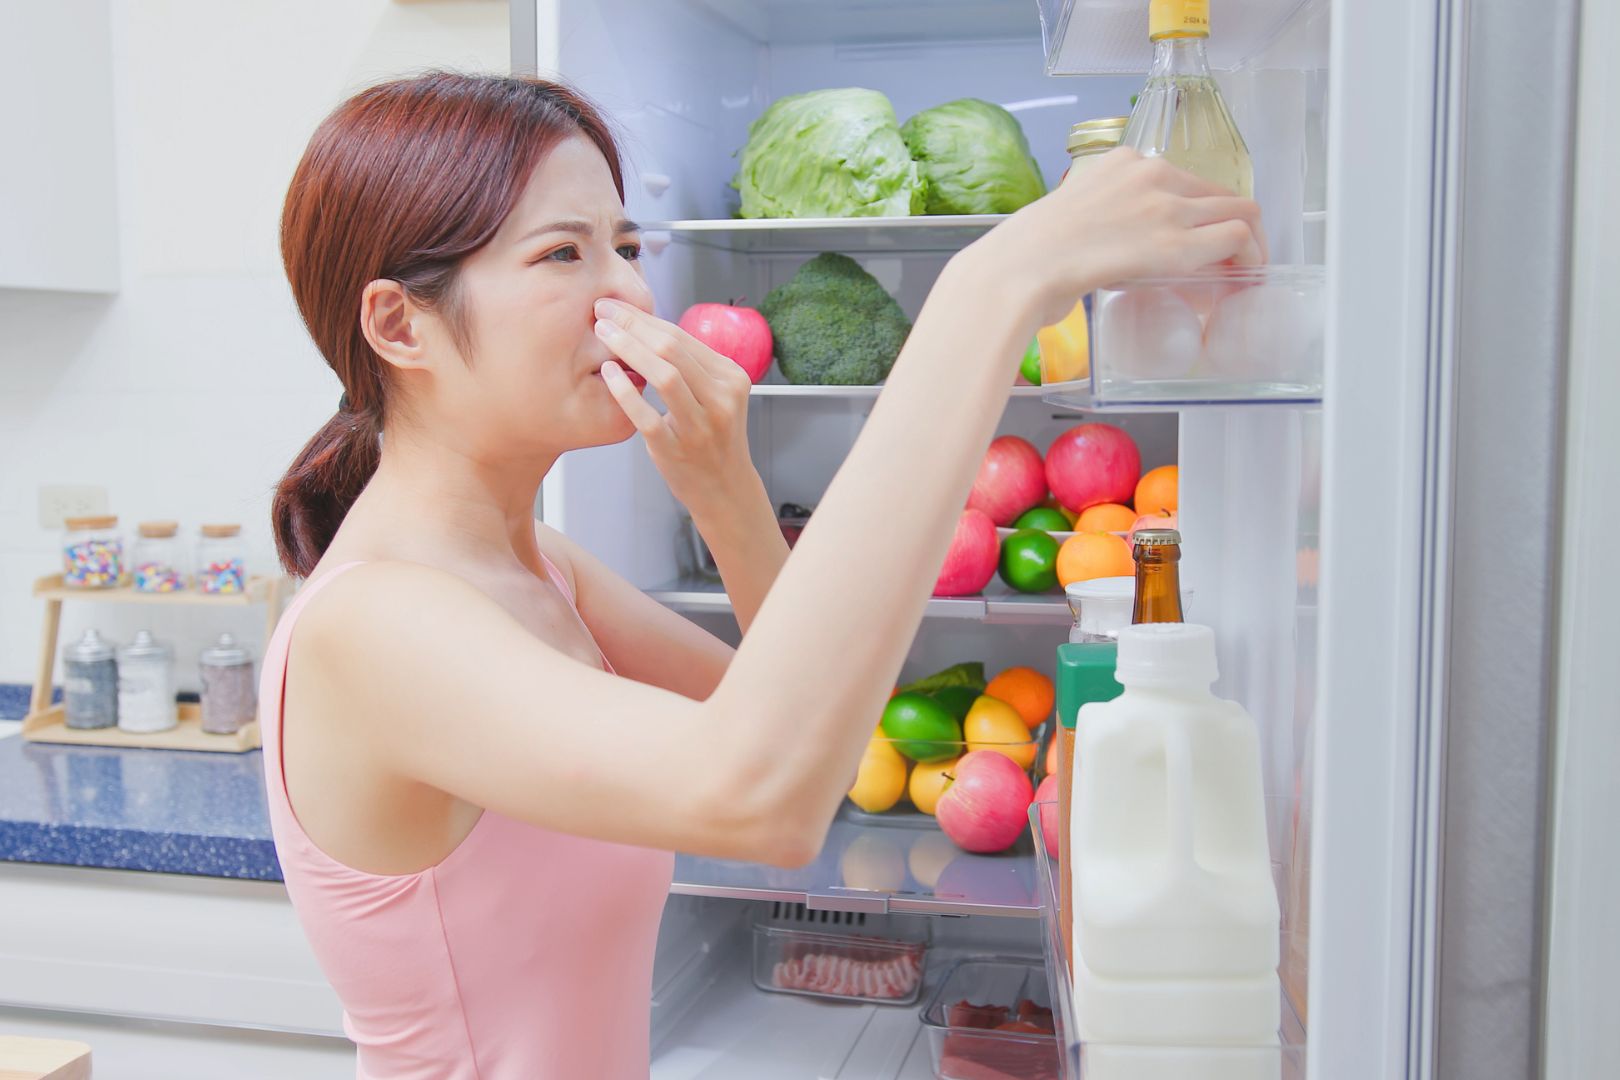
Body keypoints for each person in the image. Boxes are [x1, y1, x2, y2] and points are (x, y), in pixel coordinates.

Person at [261, 72, 1264, 1079]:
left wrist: (728, 493)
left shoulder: (539, 572)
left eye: (626, 246)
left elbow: (817, 747)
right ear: (398, 327)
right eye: (564, 253)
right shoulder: (376, 626)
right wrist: (987, 288)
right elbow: (763, 803)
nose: (630, 296)